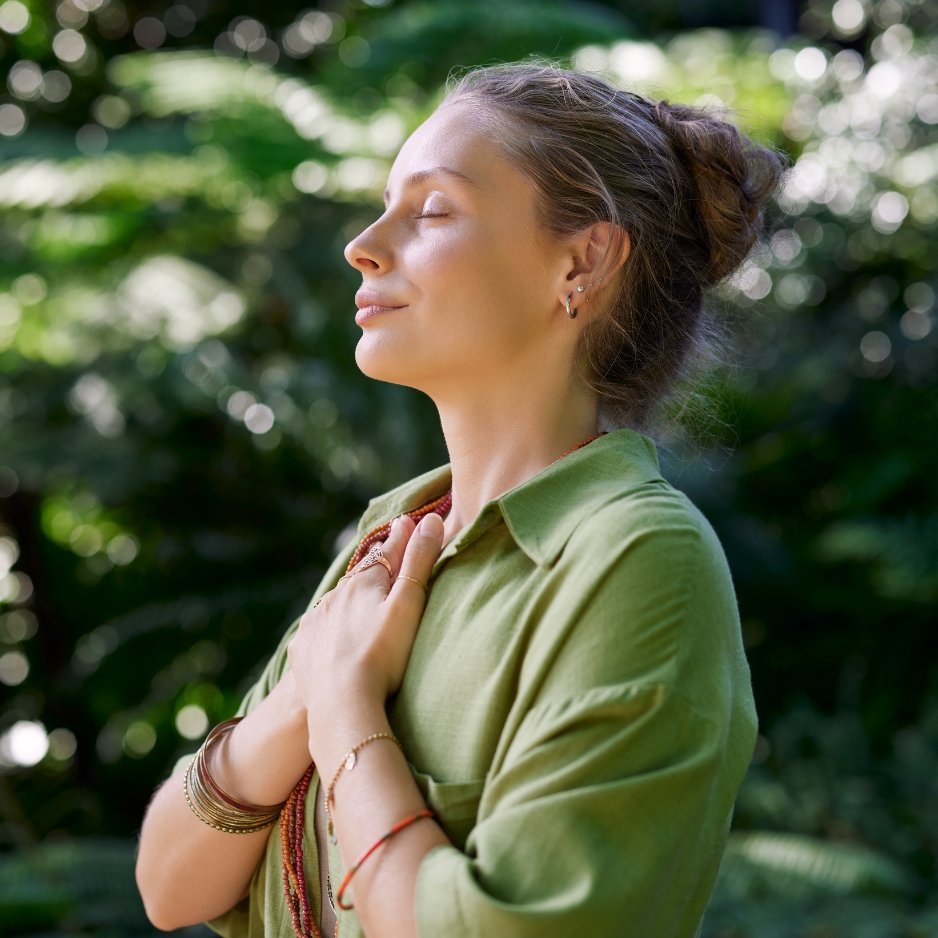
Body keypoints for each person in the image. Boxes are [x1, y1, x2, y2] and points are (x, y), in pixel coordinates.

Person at [136, 63, 782, 938]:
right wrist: (304, 701)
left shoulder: (636, 556)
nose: (362, 244)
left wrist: (346, 720)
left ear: (582, 260)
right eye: (385, 204)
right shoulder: (388, 545)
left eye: (432, 209)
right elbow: (170, 887)